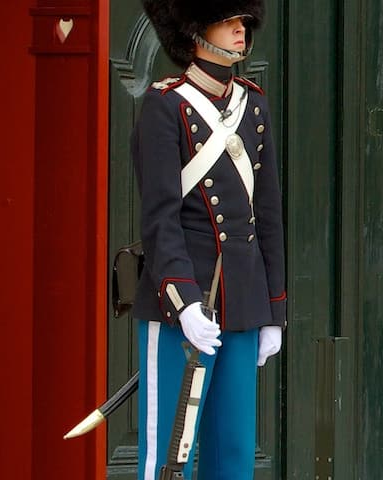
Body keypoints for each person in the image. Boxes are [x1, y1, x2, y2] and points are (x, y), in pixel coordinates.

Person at [130, 0, 287, 478]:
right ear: (196, 30)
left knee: (232, 455)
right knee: (168, 457)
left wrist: (274, 311)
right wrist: (184, 303)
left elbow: (269, 216)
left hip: (242, 304)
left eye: (244, 21)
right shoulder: (165, 105)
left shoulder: (253, 104)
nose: (241, 29)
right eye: (228, 20)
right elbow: (160, 219)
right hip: (184, 304)